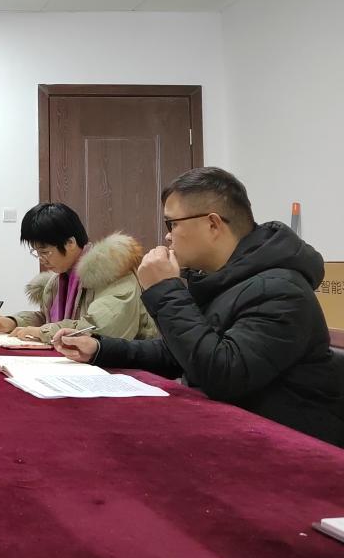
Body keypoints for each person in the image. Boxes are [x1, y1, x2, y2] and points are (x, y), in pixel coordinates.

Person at [54, 167, 344, 446]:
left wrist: (165, 290)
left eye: (172, 223)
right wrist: (101, 349)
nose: (168, 236)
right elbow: (181, 353)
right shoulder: (221, 279)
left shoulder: (281, 291)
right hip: (235, 432)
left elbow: (224, 375)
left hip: (291, 447)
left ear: (213, 224)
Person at [0, 203, 156, 344]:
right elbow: (48, 318)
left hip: (126, 368)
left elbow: (100, 329)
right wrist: (13, 322)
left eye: (45, 252)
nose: (41, 259)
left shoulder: (113, 274)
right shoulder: (59, 279)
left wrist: (43, 332)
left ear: (70, 243)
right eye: (36, 252)